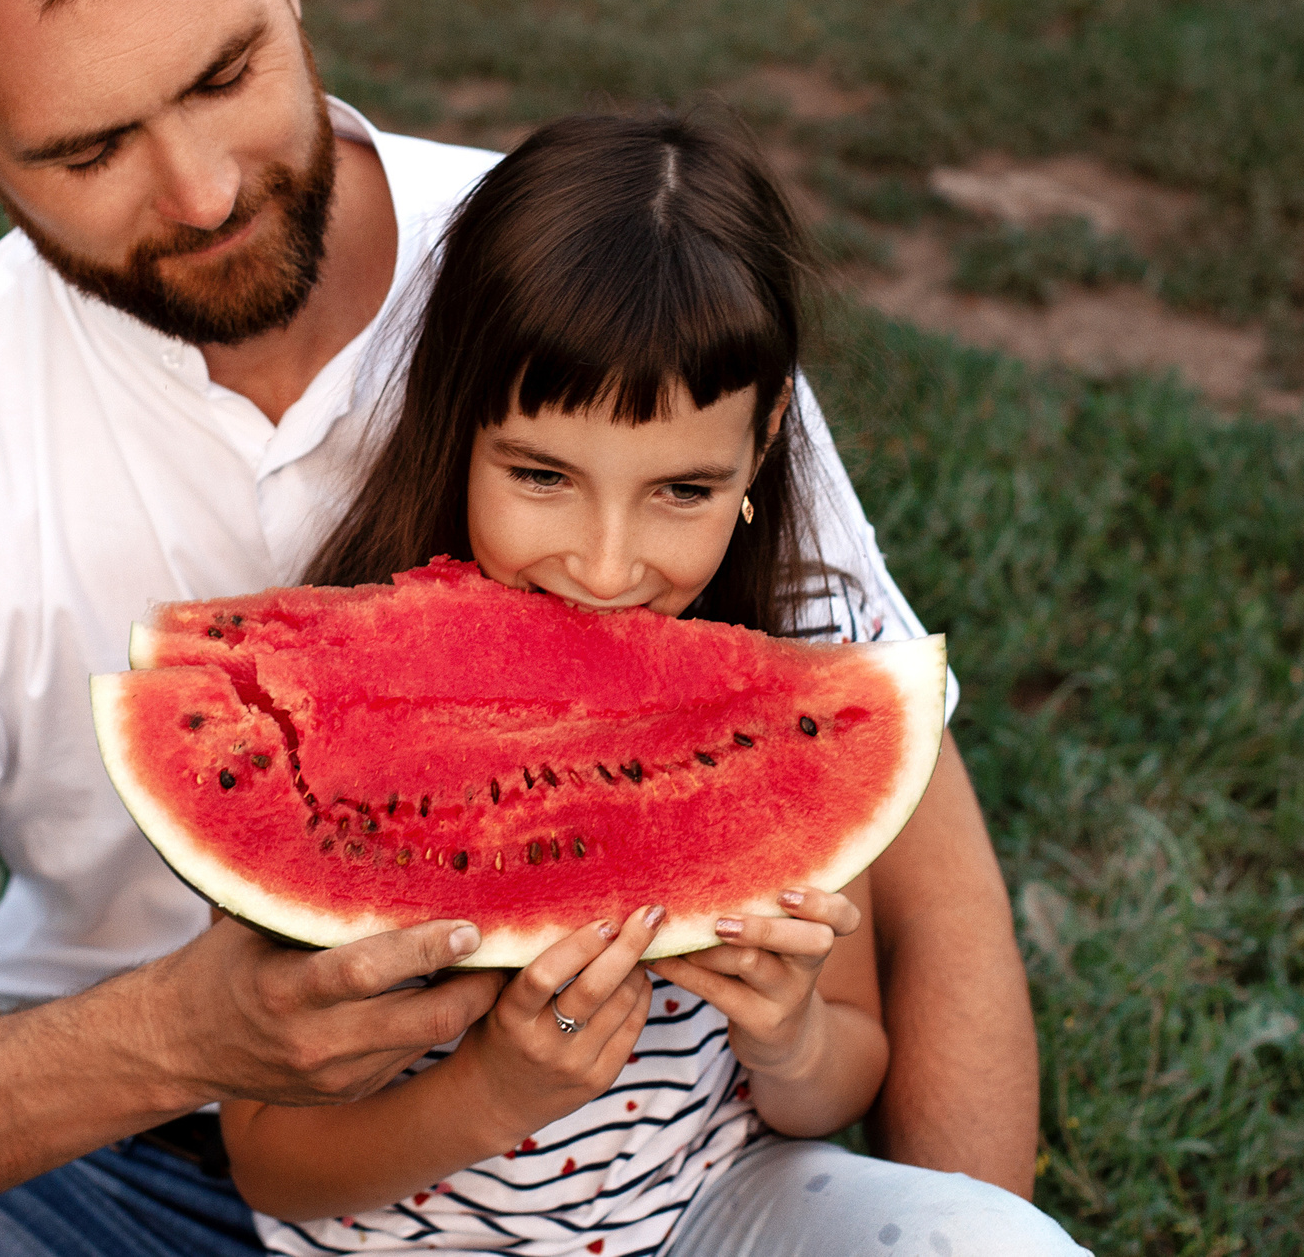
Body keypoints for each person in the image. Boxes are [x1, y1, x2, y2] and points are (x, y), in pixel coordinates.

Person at [0, 0, 1039, 1257]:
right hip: (148, 1150)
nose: (197, 189)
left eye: (226, 71)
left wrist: (960, 1216)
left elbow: (904, 824)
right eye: (88, 146)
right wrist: (181, 1040)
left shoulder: (583, 293)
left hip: (660, 1179)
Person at [224, 112, 1081, 1257]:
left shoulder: (802, 670)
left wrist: (789, 1040)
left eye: (680, 489)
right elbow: (271, 1162)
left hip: (712, 1216)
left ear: (766, 438)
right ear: (455, 409)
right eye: (541, 475)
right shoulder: (326, 692)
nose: (606, 565)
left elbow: (842, 1067)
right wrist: (493, 1091)